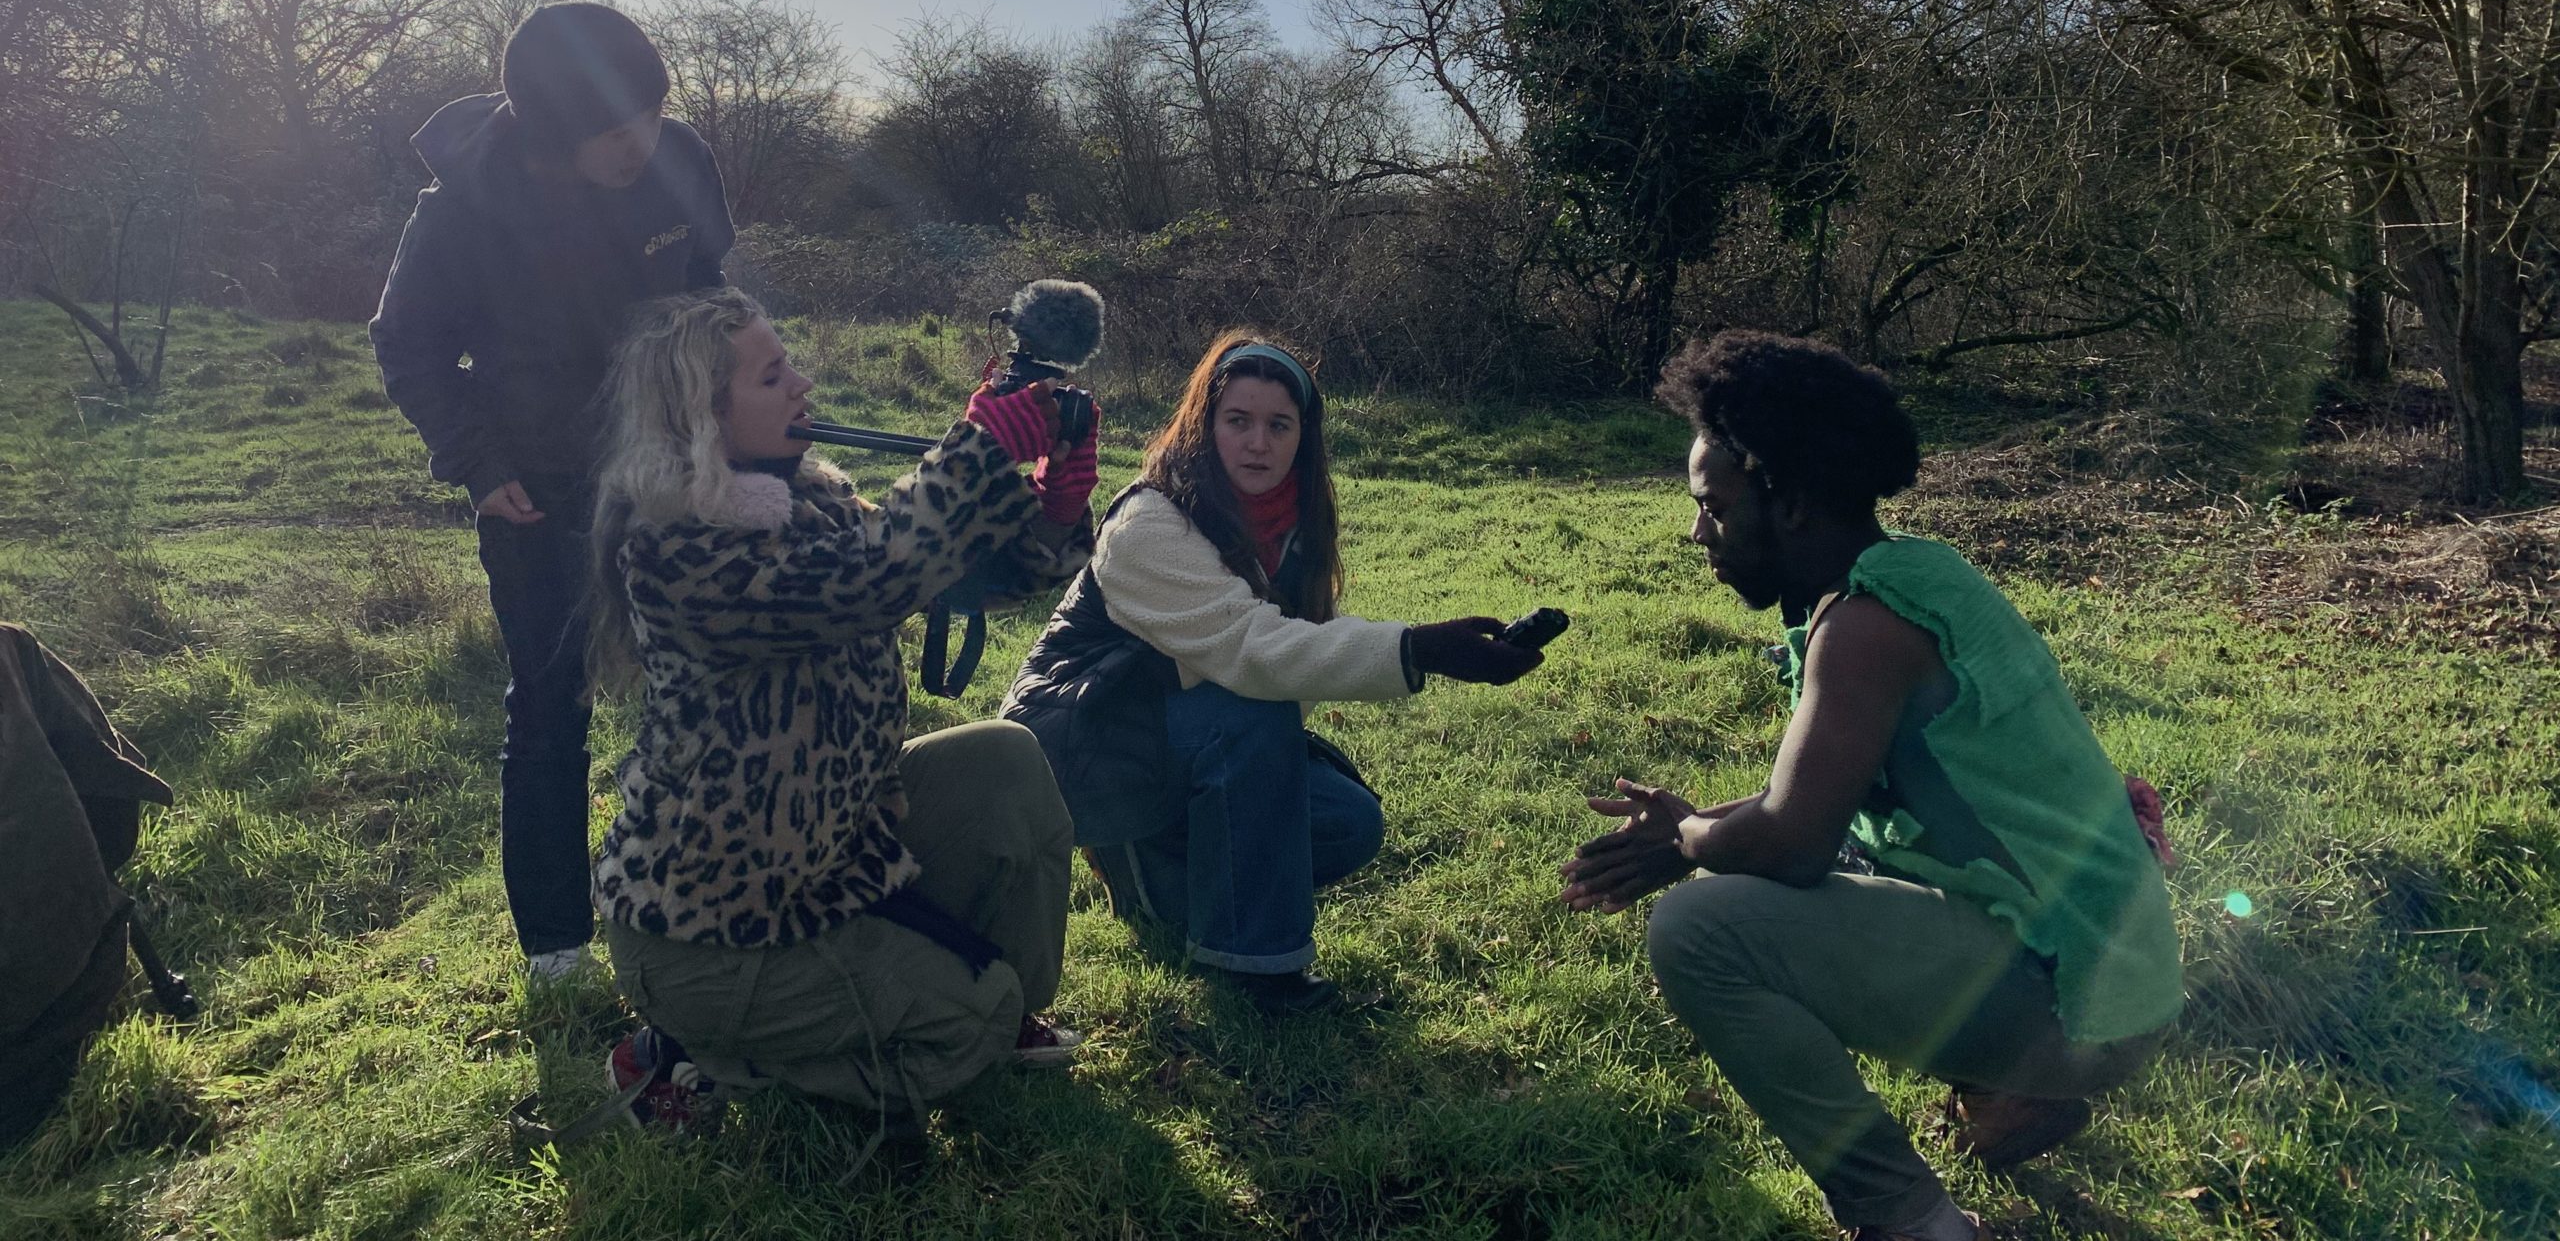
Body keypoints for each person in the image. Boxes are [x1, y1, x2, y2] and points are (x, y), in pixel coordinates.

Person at [1562, 332, 2182, 1241]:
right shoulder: (1913, 578)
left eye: (1716, 507)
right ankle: (2008, 1092)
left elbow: (1789, 843)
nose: (1698, 532)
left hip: (2082, 1002)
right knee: (1815, 865)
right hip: (2110, 975)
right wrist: (1697, 826)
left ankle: (1911, 1220)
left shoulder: (1866, 628)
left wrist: (1685, 839)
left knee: (1700, 931)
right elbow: (1829, 802)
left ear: (1795, 501)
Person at [586, 288, 1101, 1137]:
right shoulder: (675, 548)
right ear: (703, 416)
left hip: (833, 860)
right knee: (960, 1022)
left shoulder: (813, 500)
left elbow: (965, 572)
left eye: (790, 364)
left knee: (1003, 760)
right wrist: (977, 449)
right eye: (772, 375)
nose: (801, 385)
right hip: (711, 933)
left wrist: (1053, 502)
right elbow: (868, 581)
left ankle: (991, 1008)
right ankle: (696, 1053)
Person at [1004, 332, 1543, 1015]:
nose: (1258, 442)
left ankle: (1152, 872)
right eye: (1238, 421)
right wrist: (1421, 651)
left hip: (1163, 741)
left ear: (1302, 438)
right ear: (1205, 426)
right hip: (1076, 747)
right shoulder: (1149, 523)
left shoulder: (1289, 529)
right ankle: (1258, 973)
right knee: (1251, 712)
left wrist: (1422, 650)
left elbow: (1299, 653)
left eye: (1278, 425)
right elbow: (1255, 651)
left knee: (1346, 822)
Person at [370, 2, 733, 981]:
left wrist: (725, 410)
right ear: (545, 132)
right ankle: (558, 945)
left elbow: (707, 285)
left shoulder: (680, 161)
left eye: (650, 115)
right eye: (611, 134)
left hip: (669, 465)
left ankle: (702, 893)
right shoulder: (458, 212)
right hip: (538, 481)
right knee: (550, 705)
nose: (637, 146)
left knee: (701, 678)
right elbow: (406, 348)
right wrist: (482, 468)